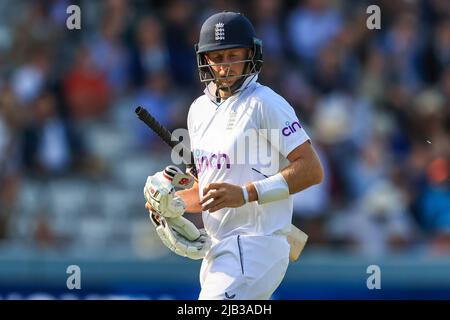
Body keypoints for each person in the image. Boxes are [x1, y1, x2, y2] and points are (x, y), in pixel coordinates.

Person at [144, 11, 324, 300]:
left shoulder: (265, 103)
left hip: (256, 247)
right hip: (218, 251)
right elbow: (210, 194)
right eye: (217, 58)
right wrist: (170, 203)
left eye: (233, 56)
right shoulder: (198, 110)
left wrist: (245, 193)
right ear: (205, 60)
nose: (225, 67)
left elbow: (312, 170)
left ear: (250, 54)